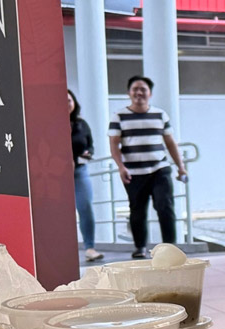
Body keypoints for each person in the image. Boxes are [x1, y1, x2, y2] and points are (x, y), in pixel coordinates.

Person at [108, 75, 188, 259]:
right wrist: (121, 167)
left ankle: (170, 248)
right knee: (137, 211)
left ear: (150, 93)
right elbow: (114, 144)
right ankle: (140, 247)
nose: (139, 93)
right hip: (134, 173)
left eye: (143, 89)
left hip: (160, 169)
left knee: (165, 206)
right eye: (135, 89)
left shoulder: (160, 115)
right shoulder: (119, 116)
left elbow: (170, 143)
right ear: (129, 93)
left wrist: (180, 167)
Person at [69, 89, 100, 262]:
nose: (66, 104)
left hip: (80, 171)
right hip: (55, 174)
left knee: (85, 206)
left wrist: (88, 153)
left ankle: (90, 247)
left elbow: (91, 145)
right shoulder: (50, 123)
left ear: (74, 102)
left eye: (69, 100)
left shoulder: (82, 124)